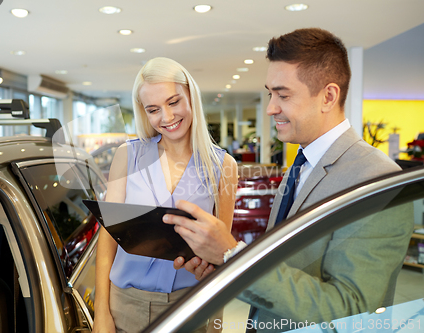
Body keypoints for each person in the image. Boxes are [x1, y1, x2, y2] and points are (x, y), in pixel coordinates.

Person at [164, 28, 412, 331]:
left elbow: (351, 312)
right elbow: (285, 266)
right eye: (271, 93)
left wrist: (233, 254)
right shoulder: (302, 162)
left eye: (283, 95)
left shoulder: (377, 180)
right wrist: (223, 263)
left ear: (328, 96)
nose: (270, 108)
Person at [92, 57, 238, 333]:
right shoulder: (129, 156)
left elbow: (221, 253)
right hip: (127, 304)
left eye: (174, 102)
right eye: (153, 109)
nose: (167, 117)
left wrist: (216, 323)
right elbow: (107, 239)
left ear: (190, 97)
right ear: (144, 113)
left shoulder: (223, 166)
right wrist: (101, 314)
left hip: (192, 306)